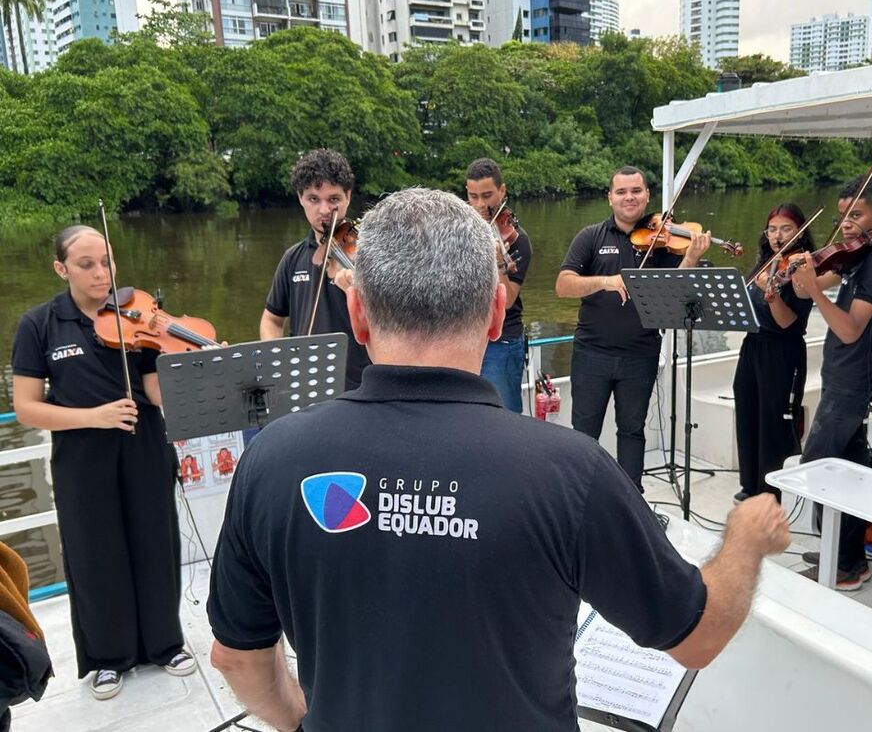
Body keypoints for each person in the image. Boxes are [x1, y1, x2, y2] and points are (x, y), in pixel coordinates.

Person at [207, 188, 790, 732]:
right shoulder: (571, 471)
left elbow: (235, 656)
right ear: (494, 311)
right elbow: (698, 637)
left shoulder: (272, 459)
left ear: (357, 313)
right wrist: (744, 538)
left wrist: (300, 720)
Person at [11, 226, 196, 701]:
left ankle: (164, 644)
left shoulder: (138, 315)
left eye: (107, 262)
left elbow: (153, 391)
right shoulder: (40, 324)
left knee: (155, 543)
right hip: (81, 457)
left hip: (143, 446)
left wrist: (194, 364)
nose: (101, 274)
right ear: (61, 269)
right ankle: (109, 658)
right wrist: (94, 416)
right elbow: (28, 407)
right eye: (86, 264)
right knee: (95, 556)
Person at [556, 166, 711, 490]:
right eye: (622, 191)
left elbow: (676, 294)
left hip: (640, 353)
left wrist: (692, 257)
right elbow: (563, 285)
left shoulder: (665, 241)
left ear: (647, 196)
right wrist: (606, 281)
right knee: (583, 432)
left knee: (632, 429)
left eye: (636, 191)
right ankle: (581, 496)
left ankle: (631, 500)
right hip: (591, 352)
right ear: (610, 197)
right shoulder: (591, 237)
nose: (629, 197)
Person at [792, 175, 872, 591]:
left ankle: (841, 563)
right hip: (843, 376)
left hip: (855, 380)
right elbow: (810, 289)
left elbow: (851, 329)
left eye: (856, 215)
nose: (847, 225)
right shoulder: (859, 256)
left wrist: (816, 296)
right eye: (843, 216)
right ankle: (848, 558)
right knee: (850, 467)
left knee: (818, 466)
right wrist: (802, 276)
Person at [260, 148, 370, 392]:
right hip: (305, 388)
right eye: (313, 199)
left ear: (348, 197)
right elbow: (272, 319)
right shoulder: (293, 258)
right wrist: (276, 362)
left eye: (333, 199)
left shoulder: (370, 253)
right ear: (300, 198)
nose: (323, 211)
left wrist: (361, 290)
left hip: (359, 389)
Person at [732, 204, 815, 503]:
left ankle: (774, 490)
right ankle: (751, 483)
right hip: (753, 345)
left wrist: (773, 293)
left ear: (800, 232)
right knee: (748, 411)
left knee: (775, 420)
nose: (777, 236)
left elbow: (785, 322)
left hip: (783, 351)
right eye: (772, 229)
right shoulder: (764, 264)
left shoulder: (802, 269)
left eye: (786, 229)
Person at [465, 157, 533, 413]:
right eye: (473, 197)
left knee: (503, 416)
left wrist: (499, 263)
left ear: (502, 191)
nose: (480, 205)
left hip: (501, 340)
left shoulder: (517, 240)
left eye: (487, 196)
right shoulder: (460, 231)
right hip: (466, 337)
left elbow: (509, 300)